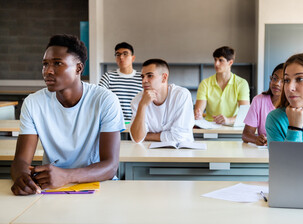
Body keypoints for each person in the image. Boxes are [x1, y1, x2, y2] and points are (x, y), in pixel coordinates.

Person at [11, 34, 125, 195]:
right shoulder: (33, 103)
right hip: (51, 187)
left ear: (78, 68)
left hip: (97, 185)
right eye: (45, 64)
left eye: (57, 63)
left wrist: (66, 175)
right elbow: (21, 161)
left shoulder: (105, 100)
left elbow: (111, 166)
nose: (48, 71)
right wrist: (22, 177)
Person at [130, 58, 194, 143]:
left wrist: (147, 136)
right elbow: (137, 138)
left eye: (150, 76)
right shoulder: (138, 100)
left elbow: (179, 137)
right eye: (142, 76)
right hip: (149, 152)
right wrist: (142, 105)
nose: (144, 80)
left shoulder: (181, 95)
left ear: (164, 77)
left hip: (181, 151)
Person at [194, 46, 250, 125]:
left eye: (221, 60)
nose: (216, 63)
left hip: (232, 127)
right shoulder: (205, 83)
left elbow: (244, 114)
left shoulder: (242, 83)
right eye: (215, 60)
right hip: (210, 127)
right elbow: (199, 110)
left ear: (230, 62)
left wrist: (228, 120)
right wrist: (198, 116)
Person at [242, 63, 284, 146]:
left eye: (283, 81)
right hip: (264, 152)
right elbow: (246, 134)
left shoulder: (294, 104)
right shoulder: (259, 100)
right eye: (274, 78)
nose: (277, 83)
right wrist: (256, 139)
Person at [99, 42, 142, 121]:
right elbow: (99, 98)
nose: (121, 57)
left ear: (133, 58)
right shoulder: (108, 77)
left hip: (137, 123)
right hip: (114, 123)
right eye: (118, 54)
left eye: (125, 54)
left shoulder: (142, 78)